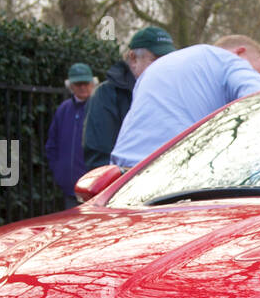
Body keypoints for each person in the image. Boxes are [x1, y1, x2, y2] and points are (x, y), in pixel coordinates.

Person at [109, 34, 260, 168]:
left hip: (121, 175)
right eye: (255, 72)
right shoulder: (230, 61)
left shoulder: (158, 68)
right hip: (171, 170)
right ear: (240, 53)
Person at [82, 26, 176, 169]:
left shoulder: (172, 92)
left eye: (168, 59)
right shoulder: (106, 95)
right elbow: (99, 159)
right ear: (133, 59)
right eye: (156, 59)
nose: (164, 65)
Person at [44, 63, 96, 209]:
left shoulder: (98, 108)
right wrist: (59, 172)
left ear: (92, 84)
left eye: (86, 83)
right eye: (78, 84)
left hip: (94, 187)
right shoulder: (63, 109)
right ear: (71, 86)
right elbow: (52, 144)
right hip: (69, 187)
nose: (82, 87)